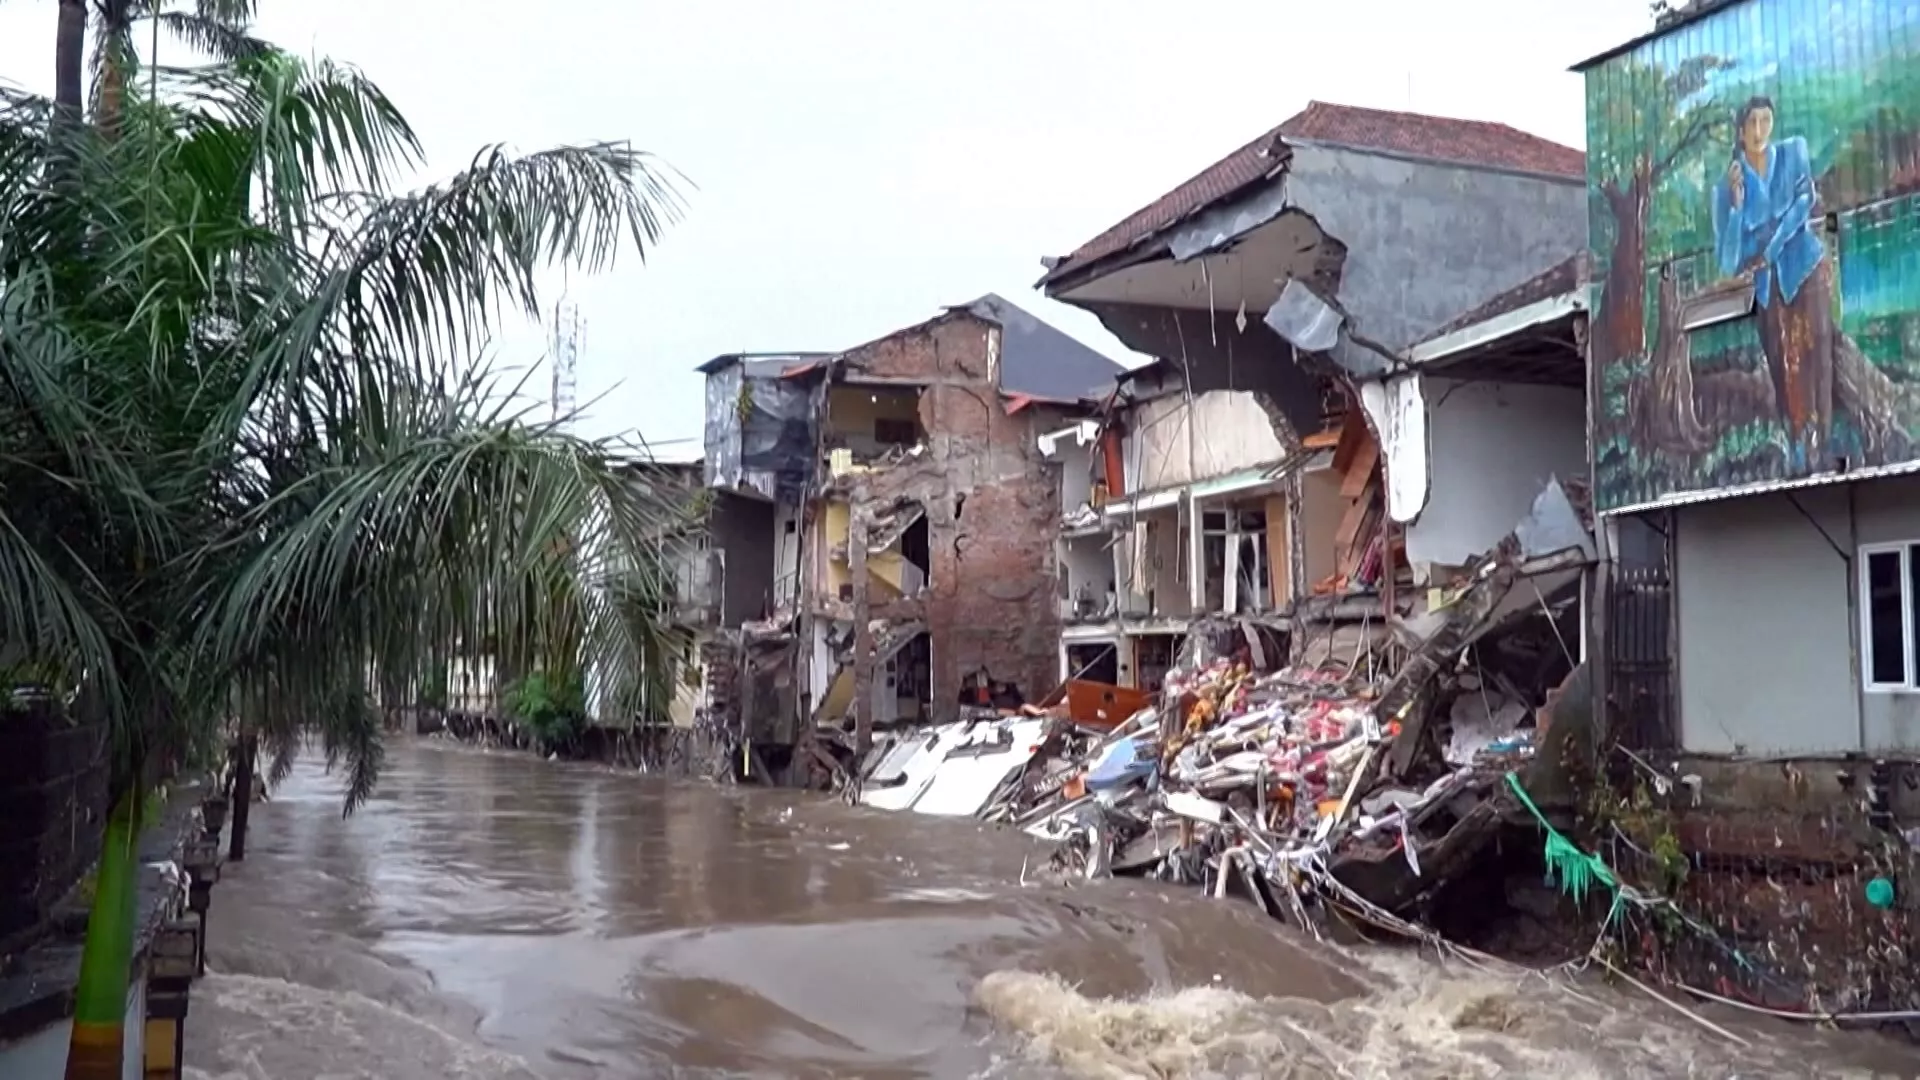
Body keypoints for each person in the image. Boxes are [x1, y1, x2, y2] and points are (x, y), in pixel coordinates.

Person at [1710, 94, 1834, 473]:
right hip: (1767, 287)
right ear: (1741, 131)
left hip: (1802, 265)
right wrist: (1735, 207)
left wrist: (1772, 246)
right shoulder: (1725, 187)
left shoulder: (1794, 151)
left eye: (1766, 121)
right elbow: (1728, 260)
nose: (1760, 130)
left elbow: (1804, 202)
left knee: (1818, 353)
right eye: (1752, 124)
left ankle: (1824, 439)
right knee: (1782, 367)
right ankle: (1798, 444)